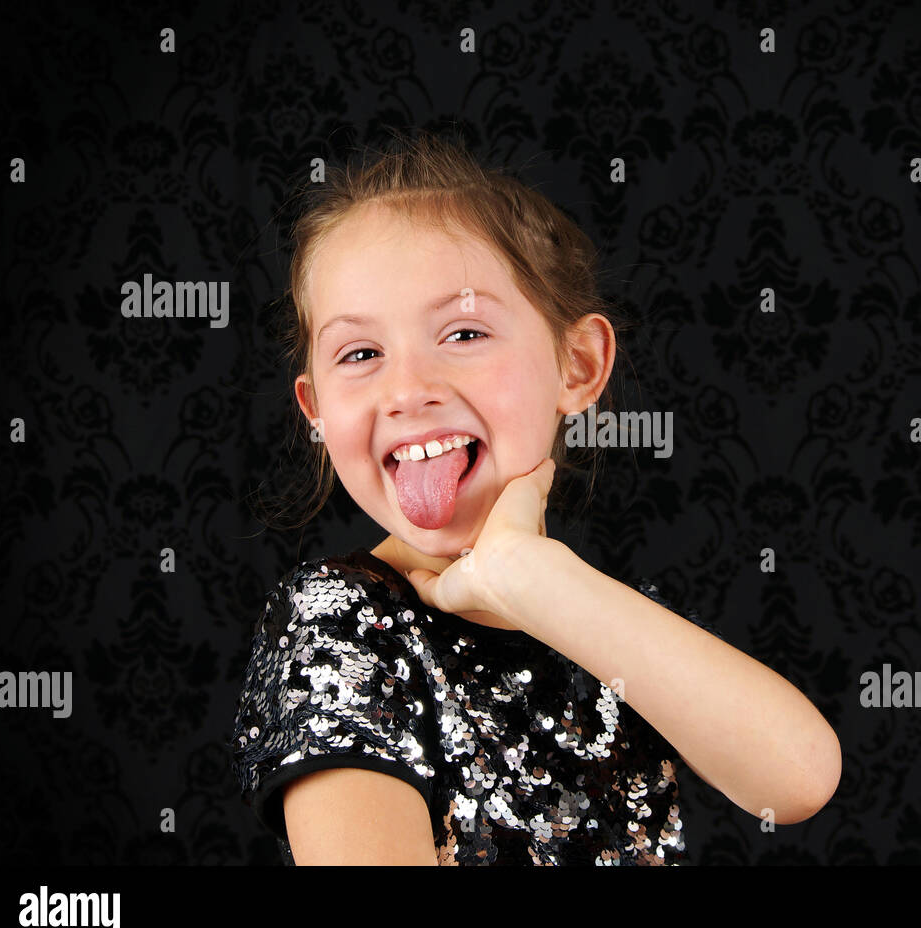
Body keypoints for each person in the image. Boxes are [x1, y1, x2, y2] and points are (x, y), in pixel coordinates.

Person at [231, 130, 842, 865]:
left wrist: (530, 577)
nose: (406, 389)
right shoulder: (343, 625)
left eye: (462, 332)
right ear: (317, 411)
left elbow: (799, 777)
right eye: (360, 354)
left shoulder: (591, 614)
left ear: (577, 366)